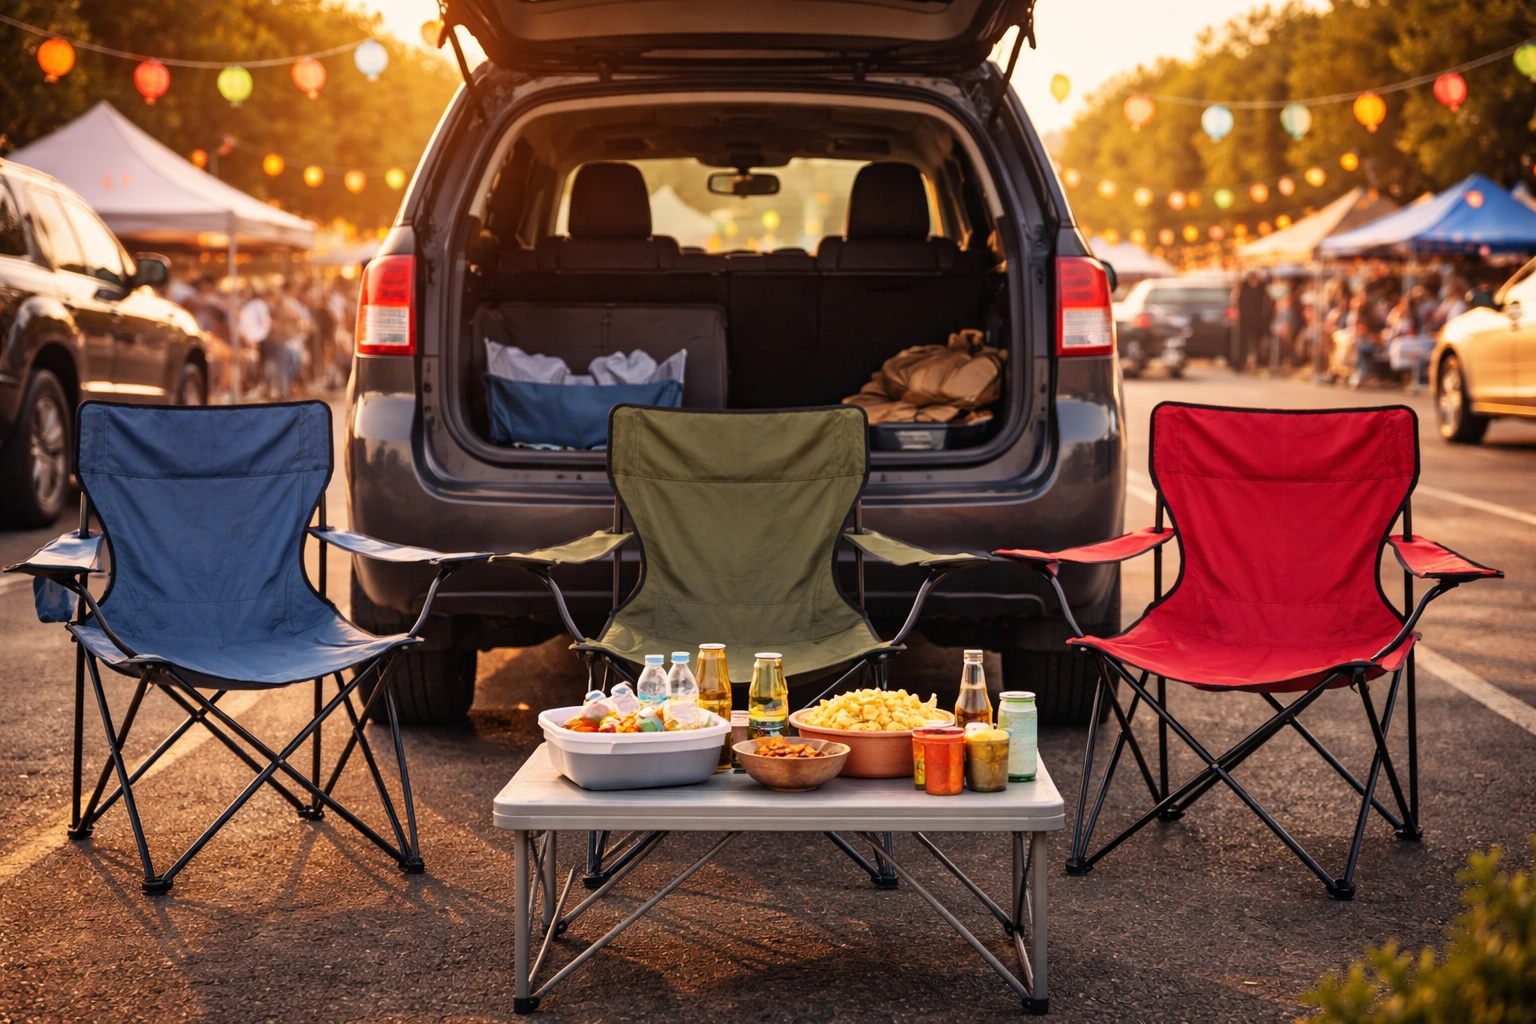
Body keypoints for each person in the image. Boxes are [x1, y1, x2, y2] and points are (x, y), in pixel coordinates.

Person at [1232, 271, 1271, 373]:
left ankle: (1257, 362)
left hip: (1257, 321)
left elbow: (1267, 303)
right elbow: (1235, 300)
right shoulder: (1243, 289)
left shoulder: (1261, 290)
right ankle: (1241, 363)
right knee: (1243, 343)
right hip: (1245, 320)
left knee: (1257, 343)